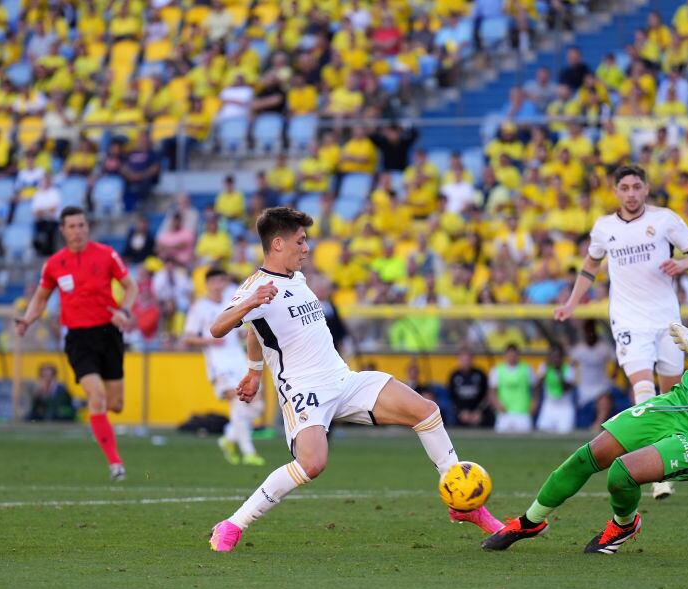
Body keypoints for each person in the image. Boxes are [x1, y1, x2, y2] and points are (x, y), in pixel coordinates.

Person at [206, 208, 502, 552]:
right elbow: (218, 327)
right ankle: (233, 524)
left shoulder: (296, 278)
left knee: (425, 410)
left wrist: (253, 371)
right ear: (277, 243)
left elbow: (257, 331)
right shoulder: (256, 287)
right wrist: (251, 304)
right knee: (312, 464)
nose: (306, 248)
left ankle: (461, 502)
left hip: (342, 379)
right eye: (300, 241)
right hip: (303, 391)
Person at [482, 238, 688, 553]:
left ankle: (624, 525)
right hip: (678, 403)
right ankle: (530, 521)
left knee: (622, 473)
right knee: (590, 454)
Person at [554, 164, 688, 500]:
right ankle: (653, 473)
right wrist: (572, 303)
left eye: (636, 187)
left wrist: (681, 264)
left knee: (670, 397)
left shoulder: (665, 219)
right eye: (624, 188)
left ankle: (664, 465)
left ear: (646, 188)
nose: (631, 193)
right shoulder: (603, 228)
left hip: (666, 318)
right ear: (616, 191)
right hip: (627, 320)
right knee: (643, 389)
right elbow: (590, 266)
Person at [15, 207, 138, 481]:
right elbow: (41, 298)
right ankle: (116, 464)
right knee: (96, 397)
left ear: (87, 227)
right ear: (62, 230)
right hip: (78, 338)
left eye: (82, 225)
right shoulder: (54, 264)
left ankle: (100, 424)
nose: (78, 230)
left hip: (109, 334)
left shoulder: (106, 254)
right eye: (72, 226)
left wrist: (126, 312)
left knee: (115, 403)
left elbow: (131, 287)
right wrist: (26, 320)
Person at [182, 268, 265, 467]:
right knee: (237, 400)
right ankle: (248, 451)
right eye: (215, 281)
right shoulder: (200, 307)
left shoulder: (231, 298)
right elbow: (188, 337)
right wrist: (208, 340)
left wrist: (240, 335)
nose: (220, 285)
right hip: (218, 362)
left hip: (238, 358)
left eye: (222, 281)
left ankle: (229, 439)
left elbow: (243, 323)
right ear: (208, 284)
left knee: (256, 404)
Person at [570, 319, 615, 431]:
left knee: (604, 401)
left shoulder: (604, 348)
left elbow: (616, 361)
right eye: (587, 331)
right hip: (583, 388)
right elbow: (570, 365)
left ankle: (597, 426)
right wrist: (573, 379)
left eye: (591, 330)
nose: (589, 333)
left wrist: (614, 374)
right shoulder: (578, 349)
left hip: (601, 386)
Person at [488, 343, 534, 433]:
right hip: (504, 413)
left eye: (514, 354)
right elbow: (492, 392)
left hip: (522, 412)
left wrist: (534, 404)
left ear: (518, 355)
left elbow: (535, 389)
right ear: (505, 355)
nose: (512, 356)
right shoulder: (497, 370)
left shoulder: (527, 369)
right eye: (509, 354)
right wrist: (497, 404)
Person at [534, 343, 576, 434]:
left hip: (565, 408)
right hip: (549, 407)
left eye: (558, 357)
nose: (556, 359)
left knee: (564, 434)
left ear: (562, 358)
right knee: (542, 433)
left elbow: (566, 388)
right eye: (554, 356)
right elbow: (537, 385)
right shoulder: (544, 367)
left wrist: (559, 372)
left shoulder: (569, 369)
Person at [448, 349, 492, 427]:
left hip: (478, 411)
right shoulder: (454, 375)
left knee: (489, 416)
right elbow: (451, 397)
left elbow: (487, 396)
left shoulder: (480, 374)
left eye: (468, 359)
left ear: (472, 359)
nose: (466, 362)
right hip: (460, 412)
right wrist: (461, 412)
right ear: (459, 360)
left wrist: (479, 411)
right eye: (463, 359)